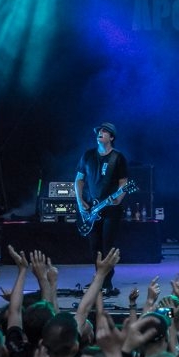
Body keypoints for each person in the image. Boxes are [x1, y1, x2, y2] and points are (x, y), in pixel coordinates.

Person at [75, 121, 129, 296]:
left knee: (108, 245)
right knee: (94, 246)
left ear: (111, 137)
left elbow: (124, 182)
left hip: (111, 210)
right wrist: (80, 201)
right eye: (99, 130)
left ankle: (107, 281)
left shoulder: (118, 157)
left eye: (105, 131)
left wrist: (118, 199)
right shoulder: (88, 155)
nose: (101, 132)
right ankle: (98, 278)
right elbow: (79, 179)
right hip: (91, 208)